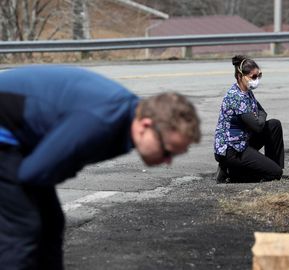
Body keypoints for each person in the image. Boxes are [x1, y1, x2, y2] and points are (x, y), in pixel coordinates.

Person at [0, 65, 201, 269]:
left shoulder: (125, 117)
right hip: (6, 134)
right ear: (146, 126)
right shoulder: (100, 122)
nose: (168, 161)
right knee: (22, 226)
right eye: (168, 151)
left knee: (51, 222)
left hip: (18, 136)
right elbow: (31, 174)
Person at [213, 55, 284, 183]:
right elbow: (257, 126)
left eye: (259, 76)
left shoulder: (247, 91)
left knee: (274, 125)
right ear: (241, 76)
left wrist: (259, 117)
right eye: (254, 77)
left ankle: (272, 166)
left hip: (242, 141)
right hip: (231, 150)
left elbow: (262, 112)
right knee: (275, 173)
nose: (257, 80)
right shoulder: (236, 97)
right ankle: (231, 172)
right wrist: (259, 117)